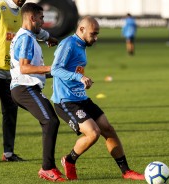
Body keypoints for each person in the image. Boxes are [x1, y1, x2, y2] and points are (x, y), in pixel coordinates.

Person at [0, 0, 58, 164]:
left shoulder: (23, 13)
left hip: (10, 71)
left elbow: (33, 28)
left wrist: (48, 37)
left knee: (11, 111)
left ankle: (8, 153)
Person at [51, 16, 144, 181]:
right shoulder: (68, 44)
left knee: (108, 129)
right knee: (93, 133)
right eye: (93, 34)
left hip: (81, 98)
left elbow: (75, 70)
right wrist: (79, 78)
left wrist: (82, 81)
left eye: (97, 34)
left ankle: (126, 171)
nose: (96, 38)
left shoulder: (80, 45)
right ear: (81, 30)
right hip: (66, 101)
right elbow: (55, 69)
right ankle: (69, 160)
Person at [9, 3, 65, 182]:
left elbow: (31, 69)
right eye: (41, 18)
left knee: (49, 121)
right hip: (24, 87)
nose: (43, 21)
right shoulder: (25, 38)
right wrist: (51, 67)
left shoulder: (27, 37)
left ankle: (49, 166)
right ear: (32, 18)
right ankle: (47, 168)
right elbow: (25, 68)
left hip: (26, 87)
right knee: (50, 121)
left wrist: (58, 73)